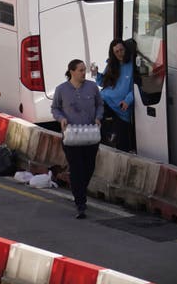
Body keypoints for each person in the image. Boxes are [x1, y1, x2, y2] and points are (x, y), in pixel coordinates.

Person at [50, 58, 102, 219]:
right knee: (76, 168)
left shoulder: (92, 87)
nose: (83, 73)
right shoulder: (61, 89)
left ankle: (80, 190)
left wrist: (98, 117)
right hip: (72, 136)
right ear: (72, 72)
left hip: (90, 134)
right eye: (80, 70)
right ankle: (80, 203)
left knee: (89, 167)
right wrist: (61, 119)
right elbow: (55, 108)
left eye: (84, 70)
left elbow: (100, 104)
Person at [95, 39, 136, 152]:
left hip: (121, 107)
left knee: (123, 144)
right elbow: (102, 83)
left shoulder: (133, 65)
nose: (119, 53)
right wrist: (96, 74)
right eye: (116, 52)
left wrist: (128, 100)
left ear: (125, 49)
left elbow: (136, 88)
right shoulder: (112, 65)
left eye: (121, 50)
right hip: (106, 100)